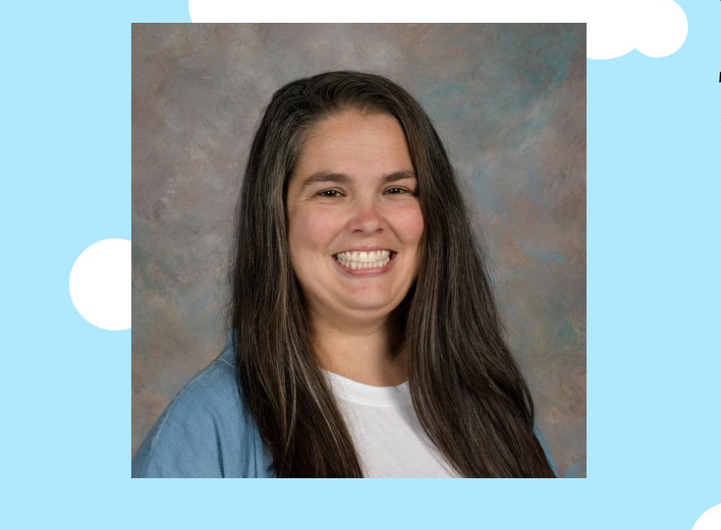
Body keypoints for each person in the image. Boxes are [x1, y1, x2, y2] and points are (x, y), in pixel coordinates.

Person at [133, 71, 557, 478]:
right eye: (331, 192)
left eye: (395, 190)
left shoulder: (491, 403)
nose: (369, 220)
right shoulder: (208, 426)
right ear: (276, 217)